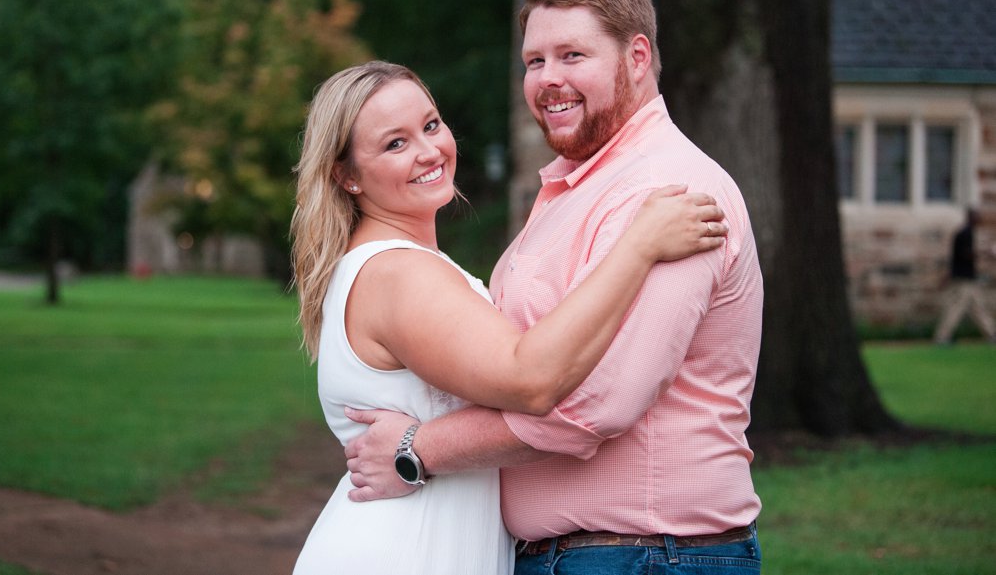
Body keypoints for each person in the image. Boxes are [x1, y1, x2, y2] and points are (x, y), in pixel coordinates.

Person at [343, 0, 764, 574]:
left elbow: (596, 405)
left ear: (637, 57)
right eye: (534, 61)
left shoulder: (667, 192)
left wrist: (417, 449)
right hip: (594, 555)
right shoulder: (582, 186)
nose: (548, 80)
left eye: (572, 55)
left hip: (646, 554)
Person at [289, 59, 729, 575]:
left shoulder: (390, 264)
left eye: (431, 125)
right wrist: (639, 246)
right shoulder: (398, 273)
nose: (429, 151)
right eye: (395, 144)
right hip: (403, 553)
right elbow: (530, 379)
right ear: (347, 176)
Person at [933, 208, 996, 345]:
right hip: (963, 279)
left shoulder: (966, 233)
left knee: (978, 308)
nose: (979, 219)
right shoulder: (965, 233)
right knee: (956, 308)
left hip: (968, 278)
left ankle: (991, 334)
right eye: (976, 216)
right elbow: (965, 254)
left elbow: (956, 257)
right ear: (970, 217)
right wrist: (986, 252)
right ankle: (942, 337)